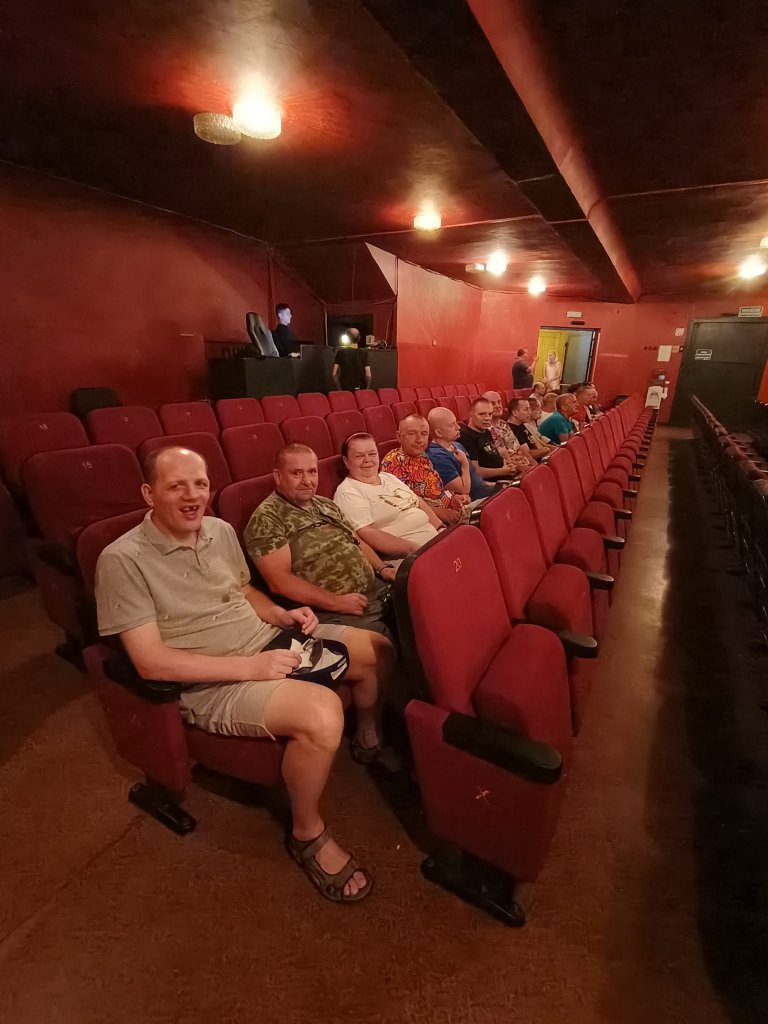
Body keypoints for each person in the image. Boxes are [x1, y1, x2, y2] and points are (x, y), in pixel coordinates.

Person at [96, 445, 394, 903]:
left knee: (377, 649)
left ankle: (368, 736)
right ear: (148, 494)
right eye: (176, 486)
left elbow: (243, 590)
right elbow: (150, 661)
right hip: (213, 681)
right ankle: (307, 832)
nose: (192, 496)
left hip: (266, 640)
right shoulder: (121, 559)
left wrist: (281, 614)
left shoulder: (217, 529)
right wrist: (250, 667)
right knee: (322, 713)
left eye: (200, 484)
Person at [245, 444, 396, 637]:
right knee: (386, 644)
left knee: (421, 604)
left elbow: (356, 540)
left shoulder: (326, 504)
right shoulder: (267, 518)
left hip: (375, 590)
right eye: (296, 473)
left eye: (312, 472)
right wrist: (337, 602)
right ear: (278, 476)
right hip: (329, 611)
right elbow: (280, 582)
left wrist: (382, 568)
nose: (307, 481)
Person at [333, 433, 440, 558]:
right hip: (410, 555)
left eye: (372, 454)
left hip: (434, 543)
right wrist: (415, 550)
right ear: (346, 461)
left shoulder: (387, 477)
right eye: (359, 456)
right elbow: (366, 533)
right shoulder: (348, 492)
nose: (367, 460)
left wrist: (441, 529)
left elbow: (417, 501)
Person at [381, 414, 468, 525]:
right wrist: (438, 513)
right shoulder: (393, 463)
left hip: (456, 512)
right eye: (412, 433)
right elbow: (402, 505)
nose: (419, 440)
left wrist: (455, 498)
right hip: (434, 524)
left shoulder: (422, 456)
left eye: (424, 434)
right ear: (399, 436)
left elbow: (435, 490)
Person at [426, 406, 495, 502]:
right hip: (477, 501)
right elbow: (464, 490)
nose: (458, 427)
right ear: (439, 432)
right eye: (452, 425)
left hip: (486, 492)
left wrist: (496, 485)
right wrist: (464, 464)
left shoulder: (457, 445)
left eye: (456, 422)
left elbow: (476, 479)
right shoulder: (437, 456)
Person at [459, 397, 520, 481]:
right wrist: (504, 471)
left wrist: (507, 464)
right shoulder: (466, 436)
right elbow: (475, 471)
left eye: (490, 414)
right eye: (482, 414)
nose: (487, 418)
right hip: (494, 483)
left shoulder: (487, 431)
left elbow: (494, 456)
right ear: (471, 414)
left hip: (505, 476)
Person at [483, 391, 534, 469]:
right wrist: (527, 469)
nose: (498, 406)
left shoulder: (503, 424)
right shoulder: (486, 429)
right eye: (492, 403)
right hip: (511, 469)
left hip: (524, 464)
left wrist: (534, 465)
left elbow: (519, 449)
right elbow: (504, 460)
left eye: (499, 402)